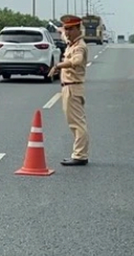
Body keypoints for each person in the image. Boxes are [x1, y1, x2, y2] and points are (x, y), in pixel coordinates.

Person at [48, 14, 89, 166]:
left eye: (70, 29)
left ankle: (80, 155)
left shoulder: (79, 47)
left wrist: (59, 65)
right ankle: (79, 153)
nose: (67, 32)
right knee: (74, 122)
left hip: (73, 87)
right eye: (66, 29)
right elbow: (63, 35)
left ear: (78, 29)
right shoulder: (71, 43)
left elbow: (77, 61)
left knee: (77, 124)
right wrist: (59, 30)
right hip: (68, 87)